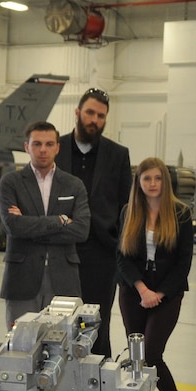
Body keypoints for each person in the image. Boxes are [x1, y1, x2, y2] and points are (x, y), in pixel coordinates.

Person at [0, 121, 90, 391]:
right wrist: (59, 221)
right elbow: (13, 226)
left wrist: (32, 223)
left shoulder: (73, 184)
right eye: (36, 144)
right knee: (19, 351)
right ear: (27, 147)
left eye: (49, 144)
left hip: (62, 280)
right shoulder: (11, 182)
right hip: (23, 278)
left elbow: (81, 230)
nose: (43, 150)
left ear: (57, 147)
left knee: (59, 352)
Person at [116, 157, 194, 391]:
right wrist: (142, 289)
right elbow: (122, 258)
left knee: (151, 354)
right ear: (138, 182)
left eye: (157, 178)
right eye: (146, 178)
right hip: (133, 292)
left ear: (165, 181)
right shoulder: (129, 211)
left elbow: (183, 263)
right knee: (137, 358)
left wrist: (159, 293)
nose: (152, 183)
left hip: (167, 293)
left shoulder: (181, 213)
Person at [56, 88, 132, 358]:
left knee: (97, 324)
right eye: (90, 113)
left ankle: (97, 379)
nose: (94, 120)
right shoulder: (55, 148)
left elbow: (126, 207)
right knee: (58, 324)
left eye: (101, 116)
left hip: (101, 255)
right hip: (61, 250)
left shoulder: (118, 155)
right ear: (77, 113)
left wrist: (119, 248)